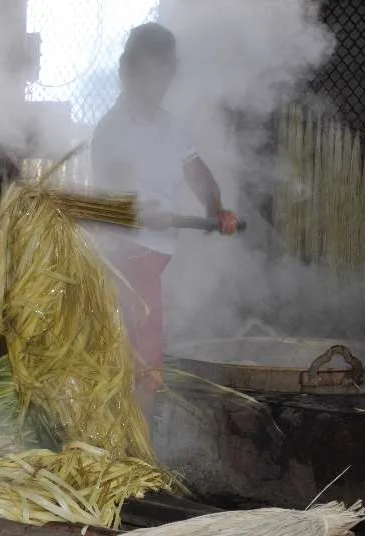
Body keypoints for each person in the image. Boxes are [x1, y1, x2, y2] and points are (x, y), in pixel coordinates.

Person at [89, 22, 238, 423]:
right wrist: (135, 210)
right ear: (127, 71)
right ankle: (137, 461)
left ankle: (134, 445)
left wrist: (215, 208)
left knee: (147, 353)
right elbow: (107, 197)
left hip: (159, 254)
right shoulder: (112, 130)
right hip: (127, 257)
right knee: (144, 360)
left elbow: (197, 173)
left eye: (164, 74)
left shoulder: (172, 127)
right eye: (148, 73)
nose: (157, 84)